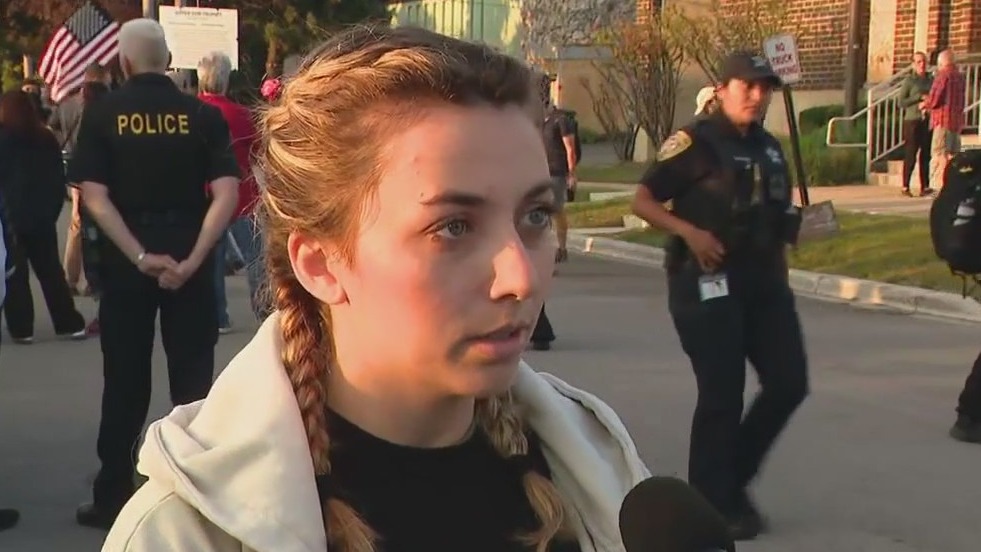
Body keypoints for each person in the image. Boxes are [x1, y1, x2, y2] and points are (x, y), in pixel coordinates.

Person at [101, 25, 650, 551]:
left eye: (535, 216)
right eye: (453, 228)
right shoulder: (185, 533)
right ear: (320, 264)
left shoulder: (600, 475)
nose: (521, 278)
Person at [631, 51, 809, 541]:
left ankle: (730, 479)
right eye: (747, 86)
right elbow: (643, 199)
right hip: (706, 281)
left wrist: (800, 229)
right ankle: (712, 501)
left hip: (765, 282)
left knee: (789, 382)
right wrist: (690, 233)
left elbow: (774, 211)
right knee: (722, 392)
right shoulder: (696, 142)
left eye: (764, 88)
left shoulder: (770, 147)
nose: (756, 95)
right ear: (723, 87)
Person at [70, 18, 240, 529]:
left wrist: (140, 256)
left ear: (124, 62)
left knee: (124, 379)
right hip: (189, 250)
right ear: (167, 60)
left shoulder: (104, 114)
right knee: (193, 380)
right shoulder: (201, 115)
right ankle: (197, 493)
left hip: (128, 263)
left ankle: (112, 492)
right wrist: (193, 258)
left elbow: (94, 197)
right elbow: (227, 193)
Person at [0, 90, 88, 343]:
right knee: (51, 272)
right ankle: (68, 323)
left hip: (10, 215)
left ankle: (22, 327)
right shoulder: (45, 139)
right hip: (41, 216)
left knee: (15, 273)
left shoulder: (3, 139)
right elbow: (57, 178)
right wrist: (51, 210)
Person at [197, 50, 268, 331]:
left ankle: (218, 316)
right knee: (255, 257)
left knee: (213, 259)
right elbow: (258, 151)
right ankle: (263, 310)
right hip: (243, 194)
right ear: (226, 80)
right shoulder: (240, 114)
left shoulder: (192, 113)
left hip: (205, 195)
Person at [50, 63, 113, 296]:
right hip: (98, 170)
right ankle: (90, 278)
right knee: (96, 223)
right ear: (103, 79)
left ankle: (71, 275)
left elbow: (53, 128)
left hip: (74, 168)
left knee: (77, 223)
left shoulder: (67, 104)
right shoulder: (104, 105)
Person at [921, 49, 966, 191]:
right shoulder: (960, 77)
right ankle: (953, 185)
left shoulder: (942, 76)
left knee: (940, 154)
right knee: (953, 155)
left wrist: (924, 103)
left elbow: (935, 99)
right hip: (956, 122)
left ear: (941, 63)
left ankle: (939, 186)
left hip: (942, 121)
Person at [898, 52, 933, 197]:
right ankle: (905, 185)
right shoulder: (910, 81)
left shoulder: (931, 79)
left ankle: (925, 186)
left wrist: (929, 102)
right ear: (913, 64)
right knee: (911, 153)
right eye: (918, 62)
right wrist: (918, 98)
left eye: (924, 61)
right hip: (912, 120)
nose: (922, 65)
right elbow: (901, 102)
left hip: (927, 119)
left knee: (926, 154)